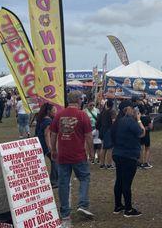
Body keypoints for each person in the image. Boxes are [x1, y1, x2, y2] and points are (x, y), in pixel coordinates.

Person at [50, 91, 94, 224]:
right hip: (78, 154)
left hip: (63, 154)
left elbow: (52, 133)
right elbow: (89, 136)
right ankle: (83, 204)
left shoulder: (59, 114)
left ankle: (65, 213)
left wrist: (53, 149)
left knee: (63, 183)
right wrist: (92, 152)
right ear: (79, 100)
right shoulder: (82, 115)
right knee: (84, 178)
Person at [111, 99, 145, 217]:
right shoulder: (130, 121)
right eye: (133, 108)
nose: (135, 110)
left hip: (118, 153)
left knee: (119, 180)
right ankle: (129, 209)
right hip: (128, 155)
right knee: (126, 182)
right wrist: (139, 120)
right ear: (128, 109)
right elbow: (141, 133)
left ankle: (118, 205)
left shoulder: (118, 121)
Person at [35, 103, 58, 188]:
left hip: (38, 143)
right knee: (55, 160)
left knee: (39, 163)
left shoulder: (41, 119)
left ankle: (52, 180)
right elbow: (46, 134)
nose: (56, 112)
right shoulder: (48, 121)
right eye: (54, 110)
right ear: (49, 112)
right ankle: (54, 181)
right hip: (44, 144)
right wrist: (50, 147)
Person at [134, 97, 153, 169]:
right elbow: (151, 127)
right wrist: (147, 127)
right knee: (147, 148)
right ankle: (146, 162)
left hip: (139, 134)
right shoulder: (148, 118)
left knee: (140, 149)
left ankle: (140, 162)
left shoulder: (137, 118)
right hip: (147, 134)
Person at [97, 99, 116, 169]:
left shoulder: (103, 112)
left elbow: (98, 121)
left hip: (102, 130)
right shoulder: (112, 111)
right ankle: (109, 164)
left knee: (103, 147)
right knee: (110, 148)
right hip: (109, 130)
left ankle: (102, 164)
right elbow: (113, 121)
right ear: (112, 105)